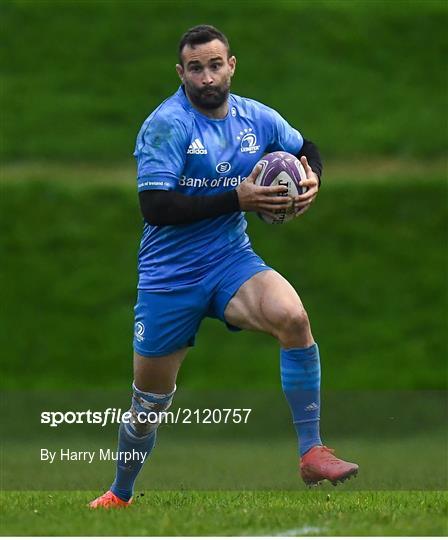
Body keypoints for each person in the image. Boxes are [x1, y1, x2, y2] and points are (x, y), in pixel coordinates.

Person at [90, 24, 358, 509]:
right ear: (181, 72)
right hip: (168, 277)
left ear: (231, 65)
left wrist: (313, 176)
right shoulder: (166, 125)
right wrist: (237, 197)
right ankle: (120, 493)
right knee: (149, 403)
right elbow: (156, 207)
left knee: (293, 318)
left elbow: (306, 147)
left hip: (230, 261)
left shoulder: (256, 118)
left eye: (216, 65)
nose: (207, 77)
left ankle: (312, 451)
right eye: (196, 68)